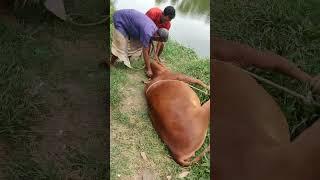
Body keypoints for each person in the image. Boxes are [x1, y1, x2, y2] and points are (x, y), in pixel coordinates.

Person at [110, 9, 169, 77]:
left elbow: (148, 44)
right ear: (158, 36)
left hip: (130, 23)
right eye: (160, 40)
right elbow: (145, 51)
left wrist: (153, 58)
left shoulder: (155, 30)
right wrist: (149, 69)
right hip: (120, 19)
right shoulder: (148, 32)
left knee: (135, 45)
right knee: (121, 45)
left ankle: (126, 60)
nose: (159, 41)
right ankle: (111, 63)